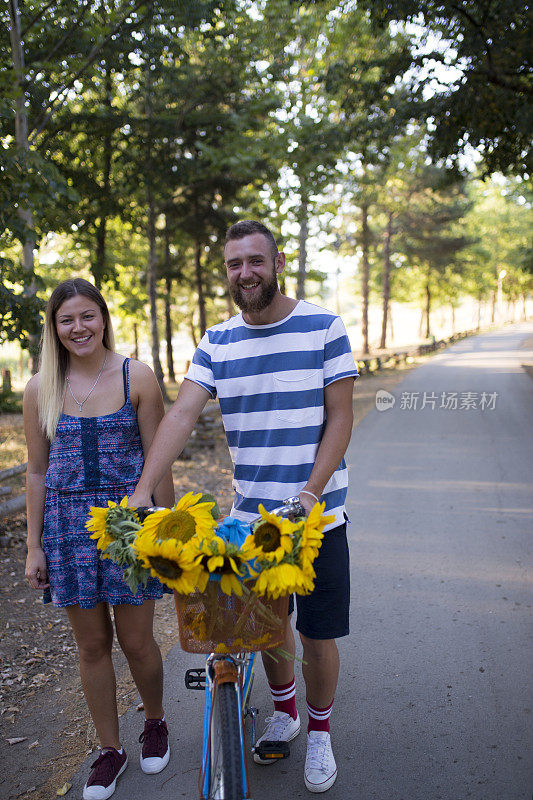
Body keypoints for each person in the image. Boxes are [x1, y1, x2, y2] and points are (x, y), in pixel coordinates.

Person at [129, 220, 357, 793]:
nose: (245, 273)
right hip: (252, 526)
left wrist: (309, 493)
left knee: (317, 636)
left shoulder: (324, 328)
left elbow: (342, 418)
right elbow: (181, 416)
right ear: (226, 271)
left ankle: (321, 733)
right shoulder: (217, 342)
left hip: (318, 518)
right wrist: (143, 487)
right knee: (268, 632)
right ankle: (284, 711)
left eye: (256, 261)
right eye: (234, 264)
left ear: (277, 263)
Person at [23, 278, 175, 800]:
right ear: (54, 328)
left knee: (136, 641)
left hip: (129, 527)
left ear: (104, 318)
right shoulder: (39, 387)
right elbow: (37, 472)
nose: (79, 327)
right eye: (67, 320)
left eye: (88, 316)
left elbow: (160, 457)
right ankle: (109, 750)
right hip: (66, 530)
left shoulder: (138, 375)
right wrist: (33, 545)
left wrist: (168, 529)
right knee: (91, 646)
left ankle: (155, 721)